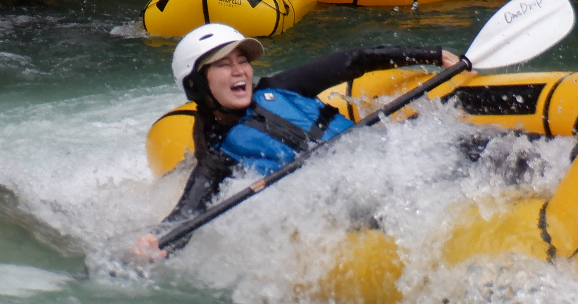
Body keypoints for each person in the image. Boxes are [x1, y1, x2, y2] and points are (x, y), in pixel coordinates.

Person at [131, 24, 458, 258]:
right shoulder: (218, 152)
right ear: (196, 85)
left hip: (391, 157)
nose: (239, 72)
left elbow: (355, 59)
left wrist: (431, 53)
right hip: (357, 204)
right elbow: (188, 214)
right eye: (223, 65)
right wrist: (156, 241)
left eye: (242, 61)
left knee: (472, 149)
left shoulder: (282, 86)